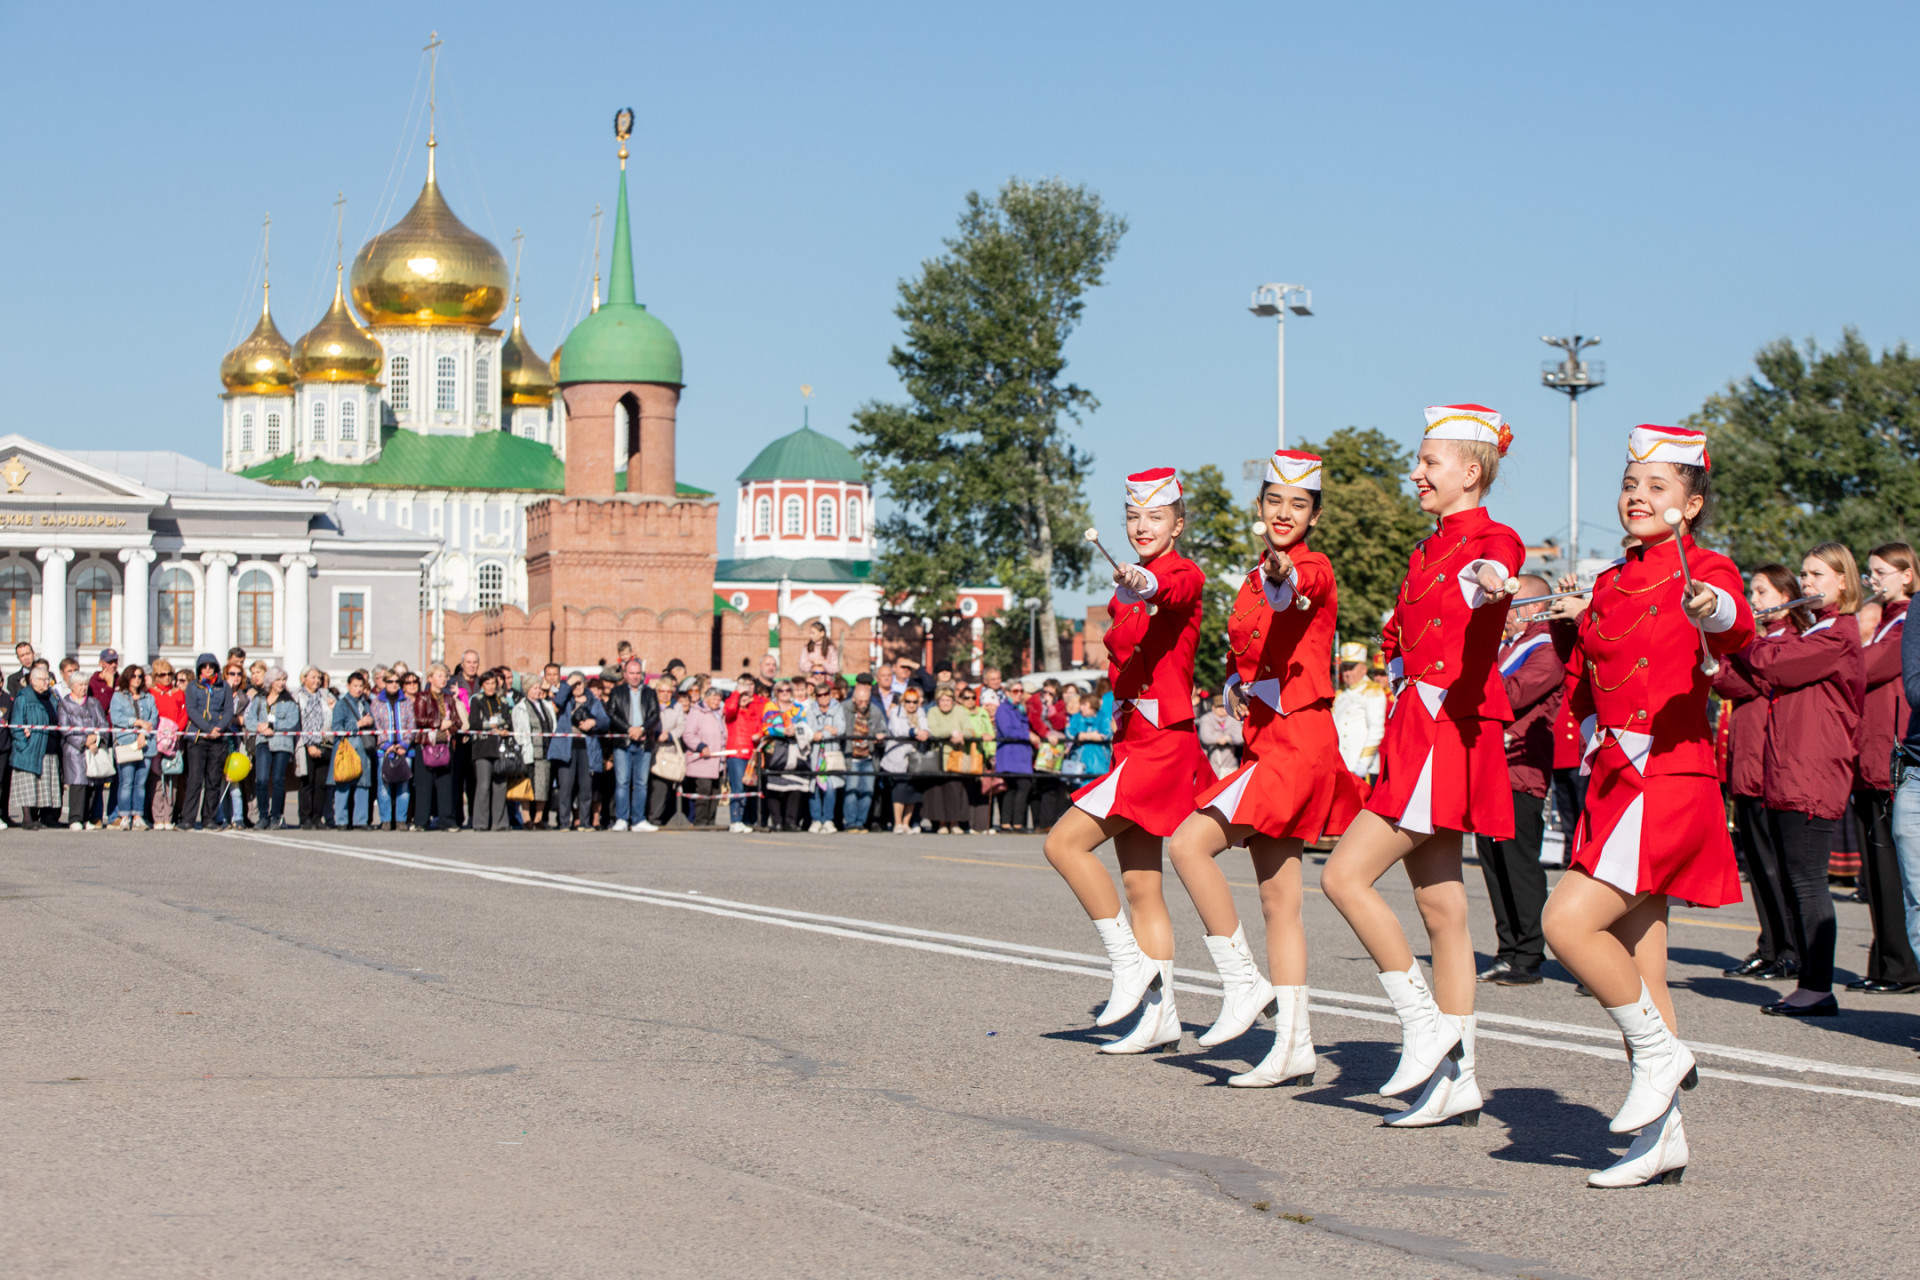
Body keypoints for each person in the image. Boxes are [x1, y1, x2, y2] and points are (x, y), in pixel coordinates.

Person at [1540, 423, 1754, 1188]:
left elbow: (1734, 623)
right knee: (1644, 963)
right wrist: (1568, 625)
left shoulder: (1706, 570)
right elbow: (1590, 677)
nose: (1638, 496)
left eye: (1658, 487)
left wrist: (1714, 610)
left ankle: (1663, 1057)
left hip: (1665, 778)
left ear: (1691, 505)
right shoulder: (1608, 581)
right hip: (1613, 782)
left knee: (1563, 923)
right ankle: (1661, 1139)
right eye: (1631, 483)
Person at [1320, 405, 1523, 1116]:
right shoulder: (1423, 549)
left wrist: (1493, 580)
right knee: (1443, 911)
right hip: (1417, 729)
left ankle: (1424, 1025)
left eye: (1429, 462)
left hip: (1445, 731)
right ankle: (1457, 1081)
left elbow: (1499, 563)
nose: (1417, 472)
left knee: (1344, 877)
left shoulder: (1490, 540)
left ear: (1469, 472)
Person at [1168, 449, 1362, 1085]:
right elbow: (1250, 645)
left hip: (1297, 744)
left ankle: (1243, 982)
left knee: (1188, 844)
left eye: (1298, 505)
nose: (1284, 513)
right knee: (1281, 901)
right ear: (1259, 507)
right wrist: (1234, 679)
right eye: (1274, 501)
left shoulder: (1311, 568)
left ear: (1315, 515)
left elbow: (1299, 591)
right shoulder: (1252, 579)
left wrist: (1285, 572)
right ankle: (1294, 1045)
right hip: (1266, 739)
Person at [1043, 467, 1213, 1055]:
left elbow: (1174, 592)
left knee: (1062, 845)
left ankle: (1127, 968)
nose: (1142, 527)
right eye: (1134, 519)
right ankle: (1161, 1016)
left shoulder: (1182, 572)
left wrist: (1146, 581)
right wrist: (1133, 585)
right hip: (1131, 737)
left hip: (1165, 741)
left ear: (1177, 523)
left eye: (1155, 518)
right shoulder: (1123, 588)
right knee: (1142, 886)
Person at [1729, 541, 1865, 1019]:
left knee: (1807, 884)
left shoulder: (1837, 634)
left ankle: (1816, 986)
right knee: (1795, 880)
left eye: (1818, 575)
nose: (1806, 583)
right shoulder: (1820, 631)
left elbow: (1771, 663)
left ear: (1843, 582)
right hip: (1789, 772)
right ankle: (1809, 981)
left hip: (1812, 774)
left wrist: (1739, 627)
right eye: (1805, 575)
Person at [1714, 566, 1810, 980]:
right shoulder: (1760, 642)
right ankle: (1770, 944)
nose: (1754, 600)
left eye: (1761, 591)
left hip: (1767, 765)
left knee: (1776, 866)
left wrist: (1730, 645)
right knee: (1758, 864)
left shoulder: (1786, 641)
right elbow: (1727, 682)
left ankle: (1790, 948)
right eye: (1752, 591)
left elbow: (1743, 683)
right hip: (1747, 763)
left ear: (1785, 595)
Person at [1473, 574, 1562, 987]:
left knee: (1519, 865)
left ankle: (1528, 954)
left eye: (1510, 605)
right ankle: (1507, 950)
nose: (1503, 613)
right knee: (1493, 865)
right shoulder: (1508, 645)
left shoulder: (1546, 648)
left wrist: (1473, 666)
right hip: (1491, 770)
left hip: (1520, 772)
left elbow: (1508, 695)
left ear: (1530, 607)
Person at [1850, 544, 1920, 992]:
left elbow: (1863, 668)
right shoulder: (1888, 620)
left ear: (1908, 575)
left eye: (1881, 572)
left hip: (1889, 754)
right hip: (1883, 754)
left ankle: (1899, 966)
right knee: (1890, 877)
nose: (1873, 580)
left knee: (1895, 873)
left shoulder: (1899, 620)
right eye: (1870, 571)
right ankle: (1889, 962)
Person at [180, 654, 234, 831]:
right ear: (199, 669)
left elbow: (228, 711)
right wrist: (206, 728)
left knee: (213, 780)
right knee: (195, 779)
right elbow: (191, 710)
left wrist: (218, 728)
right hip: (198, 738)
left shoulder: (224, 687)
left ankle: (209, 818)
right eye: (204, 666)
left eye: (211, 666)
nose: (208, 669)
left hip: (218, 739)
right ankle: (187, 818)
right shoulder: (193, 687)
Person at [606, 659, 661, 833]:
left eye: (638, 673)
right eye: (631, 673)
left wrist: (642, 729)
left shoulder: (650, 693)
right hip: (623, 741)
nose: (635, 677)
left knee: (641, 783)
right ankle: (622, 819)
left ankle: (638, 820)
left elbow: (655, 715)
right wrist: (629, 729)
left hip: (644, 742)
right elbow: (611, 714)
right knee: (622, 781)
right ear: (625, 674)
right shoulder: (617, 691)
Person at [552, 674, 607, 831]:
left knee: (586, 787)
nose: (577, 687)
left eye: (579, 684)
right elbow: (558, 700)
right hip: (567, 747)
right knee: (566, 786)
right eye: (573, 685)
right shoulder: (566, 701)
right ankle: (564, 822)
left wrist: (594, 722)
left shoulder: (594, 702)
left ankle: (585, 821)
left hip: (587, 747)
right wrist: (567, 684)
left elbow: (605, 721)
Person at [1333, 641, 1387, 796]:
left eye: (1351, 668)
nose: (1347, 673)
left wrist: (1364, 762)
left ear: (1363, 669)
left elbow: (1376, 729)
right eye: (1344, 668)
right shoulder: (1341, 694)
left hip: (1363, 767)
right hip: (1342, 765)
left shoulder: (1373, 691)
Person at [107, 665, 157, 831]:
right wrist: (137, 723)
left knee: (140, 783)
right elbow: (116, 717)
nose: (137, 679)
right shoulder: (118, 696)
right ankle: (124, 816)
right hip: (127, 743)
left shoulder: (148, 698)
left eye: (140, 676)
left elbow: (153, 718)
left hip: (146, 745)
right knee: (126, 781)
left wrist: (143, 732)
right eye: (134, 676)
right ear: (127, 678)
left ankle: (138, 815)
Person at [57, 669, 108, 830]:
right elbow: (65, 729)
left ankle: (88, 817)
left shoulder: (93, 703)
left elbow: (103, 724)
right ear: (72, 686)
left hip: (93, 748)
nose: (84, 688)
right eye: (80, 685)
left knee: (92, 784)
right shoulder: (65, 704)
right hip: (75, 750)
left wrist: (96, 738)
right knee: (78, 784)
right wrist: (84, 740)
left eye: (86, 684)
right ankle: (75, 818)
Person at [761, 680, 813, 831]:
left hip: (795, 748)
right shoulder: (770, 706)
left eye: (788, 690)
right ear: (776, 693)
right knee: (774, 784)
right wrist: (782, 731)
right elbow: (766, 727)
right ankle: (777, 820)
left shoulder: (798, 708)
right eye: (781, 690)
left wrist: (794, 729)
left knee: (795, 784)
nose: (785, 693)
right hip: (775, 748)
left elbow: (804, 724)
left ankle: (791, 821)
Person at [9, 664, 57, 828]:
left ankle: (40, 818)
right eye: (44, 680)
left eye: (48, 680)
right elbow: (16, 724)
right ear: (33, 681)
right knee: (27, 785)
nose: (47, 683)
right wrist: (24, 746)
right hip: (30, 748)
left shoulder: (51, 697)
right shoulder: (24, 697)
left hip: (47, 747)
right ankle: (27, 819)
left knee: (41, 786)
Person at [462, 670, 510, 832]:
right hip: (482, 747)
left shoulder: (502, 700)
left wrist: (503, 729)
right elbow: (474, 722)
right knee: (483, 785)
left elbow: (508, 720)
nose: (490, 687)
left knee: (500, 784)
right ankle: (481, 823)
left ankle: (500, 822)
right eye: (487, 684)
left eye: (493, 684)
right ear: (482, 685)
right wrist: (493, 726)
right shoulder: (477, 700)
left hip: (500, 747)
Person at [924, 685, 976, 833]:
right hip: (939, 757)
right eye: (942, 700)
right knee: (939, 791)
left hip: (957, 757)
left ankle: (955, 823)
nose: (945, 703)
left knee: (955, 790)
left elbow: (970, 730)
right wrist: (951, 732)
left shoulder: (960, 711)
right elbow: (934, 730)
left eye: (948, 700)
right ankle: (941, 823)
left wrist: (961, 734)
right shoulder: (933, 712)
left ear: (953, 701)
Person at [326, 671, 375, 828]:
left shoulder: (365, 703)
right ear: (348, 686)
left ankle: (360, 820)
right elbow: (337, 728)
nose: (358, 689)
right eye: (355, 686)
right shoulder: (341, 704)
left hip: (363, 749)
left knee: (363, 784)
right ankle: (341, 820)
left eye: (361, 686)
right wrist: (358, 724)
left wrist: (370, 722)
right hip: (346, 748)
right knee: (343, 783)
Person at [369, 668, 416, 831]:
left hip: (404, 751)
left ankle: (401, 819)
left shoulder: (406, 702)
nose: (394, 685)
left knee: (404, 785)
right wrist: (387, 745)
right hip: (385, 751)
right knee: (384, 786)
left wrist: (404, 745)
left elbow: (411, 725)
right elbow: (377, 725)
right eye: (390, 681)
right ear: (384, 682)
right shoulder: (376, 702)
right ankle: (386, 819)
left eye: (397, 681)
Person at [993, 681, 1041, 832]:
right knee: (1020, 786)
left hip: (1022, 755)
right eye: (1015, 691)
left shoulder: (1021, 709)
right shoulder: (1003, 709)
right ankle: (1013, 822)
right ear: (1007, 692)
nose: (1019, 694)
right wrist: (1027, 735)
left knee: (1014, 788)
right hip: (1010, 754)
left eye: (1021, 691)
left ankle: (1009, 822)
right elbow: (1007, 731)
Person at [881, 685, 928, 833]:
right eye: (908, 701)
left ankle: (907, 823)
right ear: (903, 701)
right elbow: (896, 730)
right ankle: (897, 822)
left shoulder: (920, 712)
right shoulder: (896, 711)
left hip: (914, 758)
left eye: (914, 702)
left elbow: (926, 728)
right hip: (897, 757)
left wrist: (925, 732)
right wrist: (914, 731)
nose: (911, 705)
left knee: (912, 791)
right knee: (899, 790)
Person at [512, 677, 557, 830]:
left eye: (539, 688)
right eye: (534, 688)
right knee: (528, 785)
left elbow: (553, 726)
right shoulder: (521, 707)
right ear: (527, 689)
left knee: (543, 786)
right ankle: (526, 818)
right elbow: (519, 729)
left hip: (545, 751)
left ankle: (539, 818)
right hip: (529, 751)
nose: (537, 691)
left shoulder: (546, 705)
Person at [802, 680, 846, 832]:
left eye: (825, 694)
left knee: (830, 788)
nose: (823, 698)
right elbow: (812, 733)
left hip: (831, 753)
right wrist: (827, 730)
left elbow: (841, 729)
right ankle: (816, 820)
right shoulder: (810, 710)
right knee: (813, 787)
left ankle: (828, 819)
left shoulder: (838, 708)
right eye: (819, 695)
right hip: (815, 754)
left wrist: (823, 733)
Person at [723, 677, 766, 833]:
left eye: (746, 696)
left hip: (750, 755)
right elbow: (729, 709)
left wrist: (759, 734)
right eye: (741, 696)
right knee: (738, 787)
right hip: (736, 754)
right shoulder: (732, 713)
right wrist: (737, 692)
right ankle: (735, 820)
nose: (743, 699)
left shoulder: (752, 712)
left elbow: (760, 726)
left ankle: (741, 819)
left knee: (746, 788)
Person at [680, 684, 727, 827]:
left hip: (718, 761)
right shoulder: (697, 712)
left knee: (715, 791)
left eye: (719, 699)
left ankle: (711, 821)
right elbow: (688, 734)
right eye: (713, 698)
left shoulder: (721, 714)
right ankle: (700, 822)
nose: (716, 701)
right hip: (703, 760)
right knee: (704, 790)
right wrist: (701, 746)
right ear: (706, 699)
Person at [294, 667, 334, 829]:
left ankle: (317, 817)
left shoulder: (326, 696)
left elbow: (331, 718)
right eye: (313, 677)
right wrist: (310, 744)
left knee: (321, 784)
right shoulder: (297, 696)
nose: (316, 681)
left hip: (324, 743)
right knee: (307, 783)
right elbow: (299, 721)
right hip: (305, 744)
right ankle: (305, 818)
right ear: (304, 678)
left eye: (318, 678)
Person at [148, 660, 184, 830]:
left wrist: (177, 731)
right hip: (157, 741)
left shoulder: (178, 694)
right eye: (163, 675)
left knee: (172, 776)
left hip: (174, 741)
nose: (167, 678)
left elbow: (184, 714)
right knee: (156, 779)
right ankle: (158, 816)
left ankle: (168, 816)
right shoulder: (151, 694)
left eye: (170, 674)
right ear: (156, 677)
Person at [648, 674, 687, 828]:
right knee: (646, 784)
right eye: (662, 691)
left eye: (668, 692)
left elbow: (681, 726)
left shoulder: (676, 706)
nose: (665, 694)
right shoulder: (651, 704)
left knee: (661, 785)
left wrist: (670, 735)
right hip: (651, 748)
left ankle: (656, 817)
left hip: (668, 750)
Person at [1196, 697, 1243, 780]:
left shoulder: (1233, 719)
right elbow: (1205, 737)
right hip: (1212, 761)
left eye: (1223, 707)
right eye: (1219, 707)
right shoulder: (1206, 719)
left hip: (1231, 762)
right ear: (1213, 707)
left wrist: (1229, 738)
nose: (1221, 709)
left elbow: (1241, 737)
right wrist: (1219, 739)